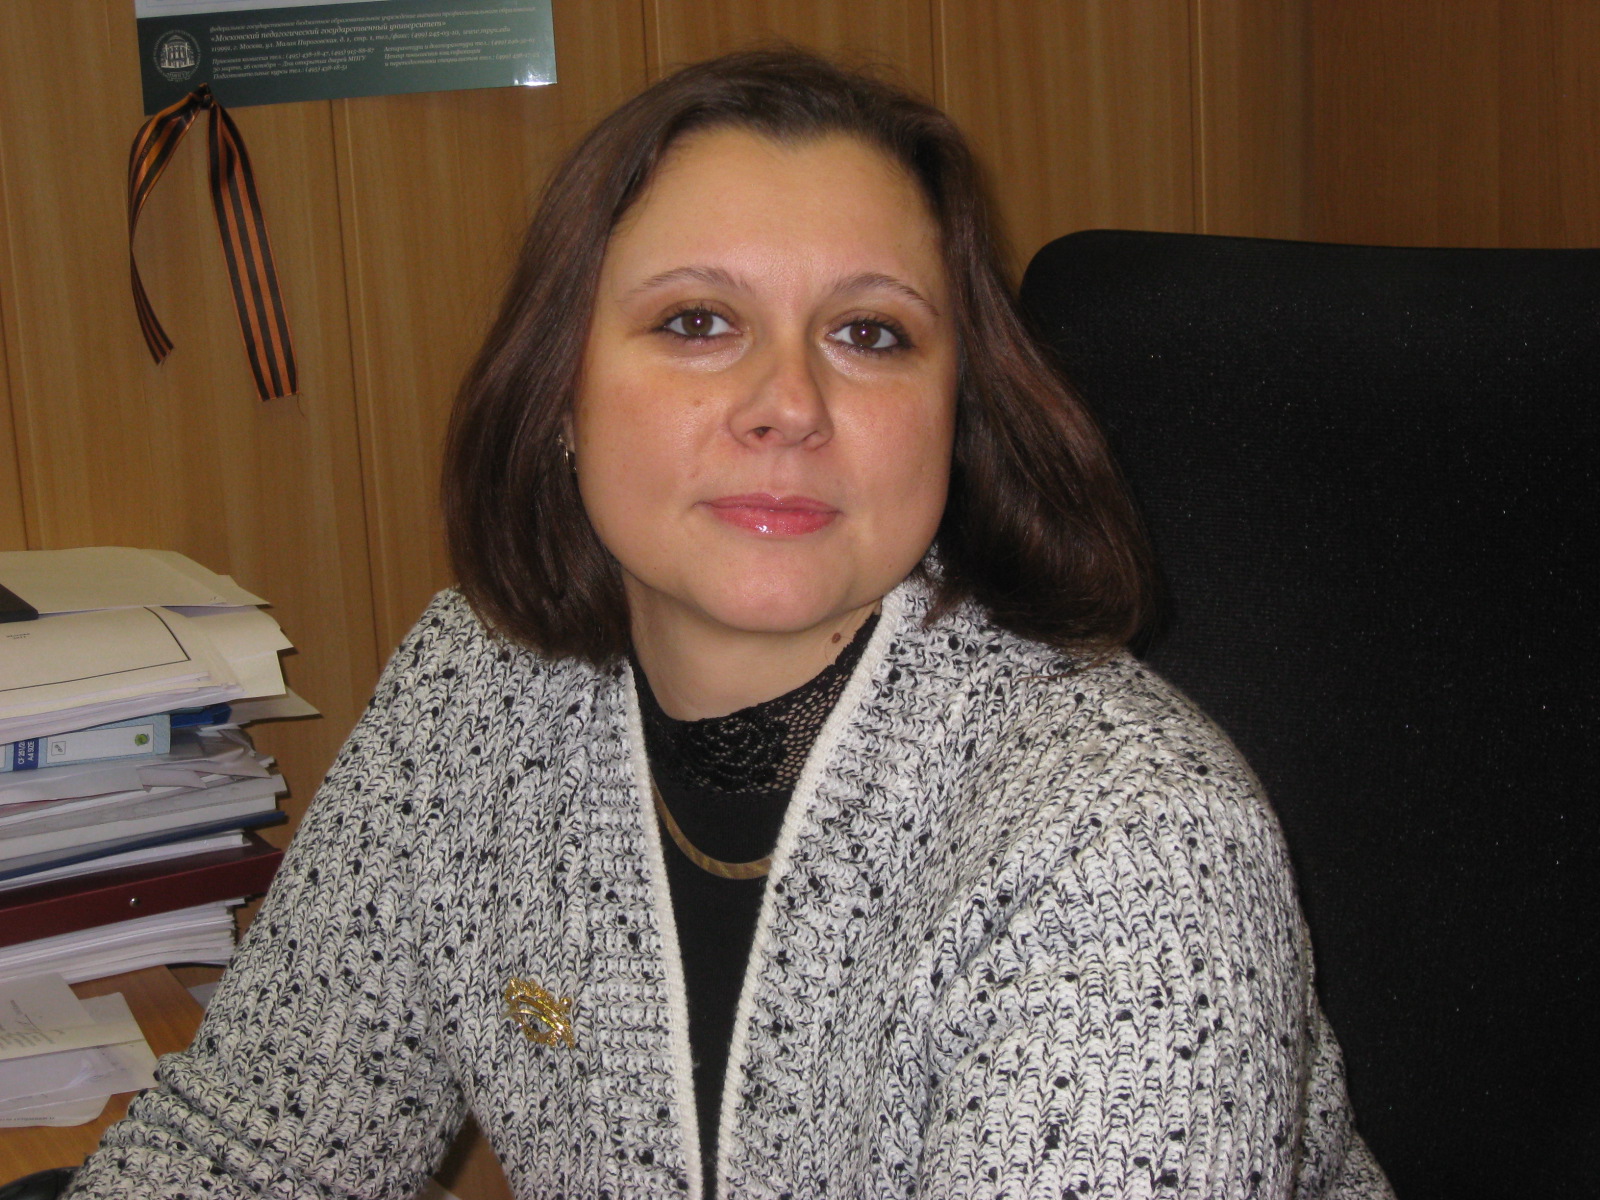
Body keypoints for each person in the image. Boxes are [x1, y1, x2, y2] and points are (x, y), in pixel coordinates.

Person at [66, 50, 1392, 1199]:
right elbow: (252, 1146)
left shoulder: (1128, 844)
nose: (787, 406)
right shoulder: (477, 690)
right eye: (697, 323)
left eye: (870, 334)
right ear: (562, 393)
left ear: (958, 416)